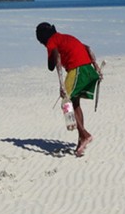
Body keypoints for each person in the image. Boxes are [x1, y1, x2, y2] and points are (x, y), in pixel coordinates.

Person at [36, 22, 102, 157]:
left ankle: (85, 134)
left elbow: (57, 60)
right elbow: (88, 48)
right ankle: (80, 141)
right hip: (88, 69)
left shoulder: (51, 42)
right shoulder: (65, 37)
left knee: (66, 103)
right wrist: (96, 67)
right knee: (75, 103)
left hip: (77, 69)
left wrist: (61, 85)